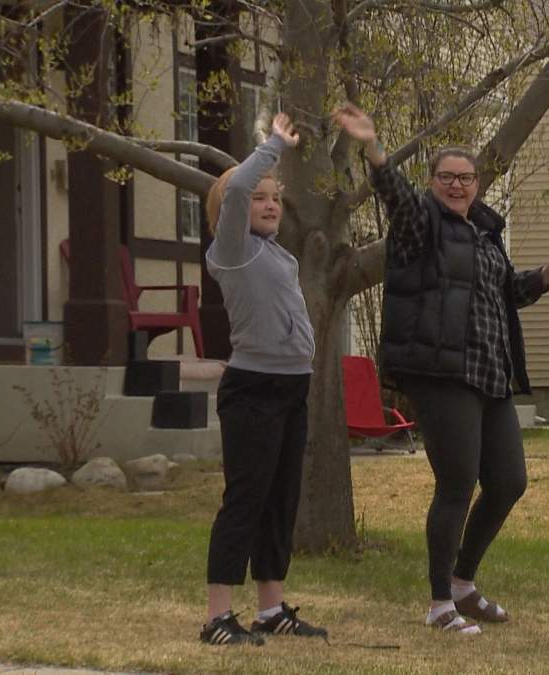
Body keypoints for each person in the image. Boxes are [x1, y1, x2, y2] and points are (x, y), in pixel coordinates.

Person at [333, 103, 549, 635]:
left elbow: (508, 293)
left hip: (491, 374)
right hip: (441, 373)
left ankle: (463, 585)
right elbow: (396, 198)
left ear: (476, 184)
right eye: (447, 178)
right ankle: (437, 604)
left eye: (466, 178)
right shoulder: (418, 225)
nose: (457, 186)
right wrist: (374, 147)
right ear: (433, 183)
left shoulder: (484, 233)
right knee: (457, 483)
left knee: (508, 482)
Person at [199, 113, 328, 645]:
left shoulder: (275, 252)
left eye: (276, 197)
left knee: (281, 500)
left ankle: (271, 609)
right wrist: (274, 144)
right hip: (253, 389)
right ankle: (216, 617)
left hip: (292, 386)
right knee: (246, 499)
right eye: (260, 197)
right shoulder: (232, 250)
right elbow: (235, 190)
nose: (270, 204)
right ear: (234, 209)